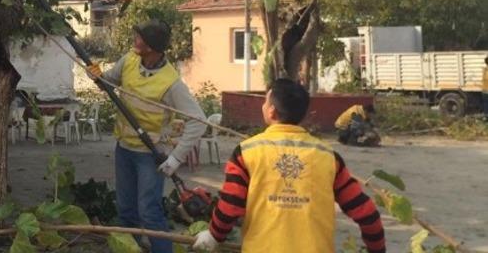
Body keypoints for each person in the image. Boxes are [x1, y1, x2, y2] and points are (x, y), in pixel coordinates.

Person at [193, 79, 385, 253]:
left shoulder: (246, 152)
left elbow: (230, 206)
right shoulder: (328, 157)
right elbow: (367, 214)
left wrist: (213, 236)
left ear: (271, 111)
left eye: (265, 101)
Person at [87, 19, 206, 253]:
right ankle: (129, 248)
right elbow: (109, 82)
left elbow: (198, 121)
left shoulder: (171, 83)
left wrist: (175, 158)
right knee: (126, 210)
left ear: (150, 46)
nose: (135, 39)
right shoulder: (129, 60)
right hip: (124, 149)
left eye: (139, 37)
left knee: (149, 212)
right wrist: (97, 76)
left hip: (150, 155)